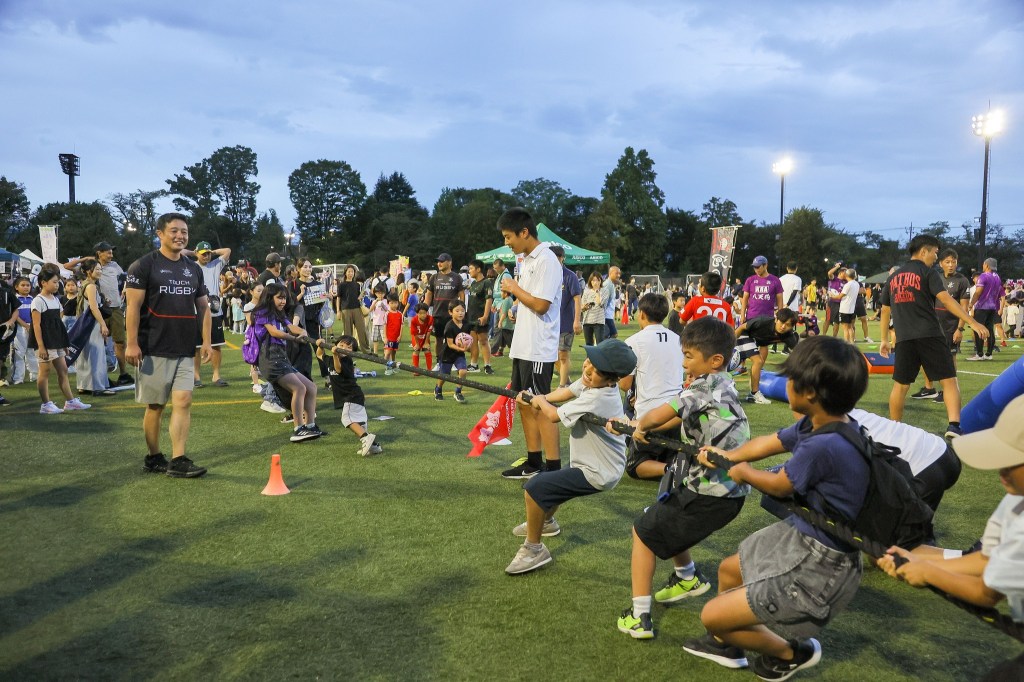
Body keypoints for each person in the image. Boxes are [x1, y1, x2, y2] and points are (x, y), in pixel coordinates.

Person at [683, 335, 870, 677]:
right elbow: (770, 443)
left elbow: (780, 484)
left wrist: (743, 473)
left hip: (821, 560)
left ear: (809, 393)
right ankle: (727, 642)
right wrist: (728, 455)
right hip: (803, 535)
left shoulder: (824, 444)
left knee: (712, 615)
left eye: (791, 379)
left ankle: (790, 653)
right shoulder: (823, 422)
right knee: (728, 571)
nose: (785, 385)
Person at [614, 317, 748, 639]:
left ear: (714, 361)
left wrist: (638, 426)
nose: (683, 362)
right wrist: (640, 427)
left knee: (642, 532)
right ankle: (687, 576)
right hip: (726, 489)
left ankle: (639, 616)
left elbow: (665, 412)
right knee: (666, 510)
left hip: (710, 492)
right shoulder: (725, 381)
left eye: (688, 356)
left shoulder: (700, 389)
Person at [878, 394, 1024, 681]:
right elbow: (986, 560)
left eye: (1011, 462)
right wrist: (914, 559)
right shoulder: (1014, 499)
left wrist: (927, 572)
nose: (1001, 472)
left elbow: (985, 594)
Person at [504, 338, 637, 575]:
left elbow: (553, 416)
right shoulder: (594, 384)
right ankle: (546, 522)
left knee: (535, 488)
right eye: (589, 362)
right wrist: (536, 396)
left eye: (596, 371)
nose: (588, 370)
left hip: (598, 472)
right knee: (554, 486)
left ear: (611, 380)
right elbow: (565, 392)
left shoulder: (597, 397)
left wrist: (539, 401)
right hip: (594, 464)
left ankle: (534, 550)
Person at [125, 212, 213, 478]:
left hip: (185, 347)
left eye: (184, 231)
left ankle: (178, 459)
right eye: (174, 230)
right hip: (154, 346)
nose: (180, 236)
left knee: (184, 401)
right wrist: (131, 343)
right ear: (160, 233)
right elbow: (133, 307)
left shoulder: (193, 268)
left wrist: (206, 341)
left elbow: (203, 307)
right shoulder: (143, 266)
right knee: (156, 406)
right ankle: (153, 457)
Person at [879, 235, 988, 439]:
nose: (936, 257)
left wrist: (884, 339)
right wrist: (972, 322)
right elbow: (946, 300)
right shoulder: (928, 273)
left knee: (901, 385)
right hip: (930, 334)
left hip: (904, 338)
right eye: (935, 253)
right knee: (949, 380)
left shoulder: (893, 278)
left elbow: (885, 310)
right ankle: (954, 426)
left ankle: (894, 428)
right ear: (923, 251)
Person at [497, 208, 563, 479]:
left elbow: (542, 304)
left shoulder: (546, 259)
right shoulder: (527, 260)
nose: (507, 243)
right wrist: (514, 301)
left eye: (508, 237)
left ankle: (554, 467)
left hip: (538, 346)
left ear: (524, 233)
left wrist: (514, 289)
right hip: (523, 344)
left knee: (541, 405)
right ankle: (534, 462)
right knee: (524, 402)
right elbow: (529, 300)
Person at [847, 408, 961, 515]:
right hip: (944, 453)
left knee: (890, 529)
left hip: (921, 472)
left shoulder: (835, 432)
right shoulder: (850, 412)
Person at [621, 293, 684, 480]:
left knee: (634, 465)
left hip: (651, 416)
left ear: (641, 313)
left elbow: (625, 384)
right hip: (677, 413)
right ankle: (672, 462)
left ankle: (670, 470)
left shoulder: (633, 341)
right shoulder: (678, 339)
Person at [251, 283, 322, 442]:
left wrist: (302, 332)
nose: (283, 301)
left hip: (281, 357)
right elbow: (274, 332)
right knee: (299, 388)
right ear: (270, 298)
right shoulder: (262, 312)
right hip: (269, 358)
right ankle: (298, 428)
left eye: (284, 298)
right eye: (279, 298)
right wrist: (294, 338)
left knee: (311, 387)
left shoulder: (279, 313)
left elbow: (291, 326)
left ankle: (310, 426)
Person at [64, 241, 133, 387]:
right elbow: (67, 266)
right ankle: (101, 377)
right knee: (98, 343)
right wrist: (85, 259)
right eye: (108, 252)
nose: (111, 255)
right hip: (99, 310)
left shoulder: (115, 266)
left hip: (115, 308)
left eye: (111, 252)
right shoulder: (90, 267)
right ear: (99, 253)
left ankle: (123, 374)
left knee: (120, 341)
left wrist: (124, 291)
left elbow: (125, 278)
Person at [910, 248, 971, 403]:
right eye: (947, 262)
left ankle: (947, 391)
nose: (951, 265)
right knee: (925, 356)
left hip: (951, 326)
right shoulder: (934, 277)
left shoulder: (962, 281)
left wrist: (960, 329)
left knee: (950, 358)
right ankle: (929, 388)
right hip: (932, 325)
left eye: (954, 262)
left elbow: (964, 307)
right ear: (940, 263)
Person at [31, 264, 91, 415]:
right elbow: (36, 326)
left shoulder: (56, 299)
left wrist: (64, 343)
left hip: (56, 340)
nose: (57, 284)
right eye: (54, 282)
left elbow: (58, 324)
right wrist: (41, 346)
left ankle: (70, 402)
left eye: (58, 282)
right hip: (45, 341)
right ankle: (45, 404)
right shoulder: (38, 301)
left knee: (63, 370)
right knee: (44, 372)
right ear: (43, 283)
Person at [322, 335, 383, 456]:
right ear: (336, 345)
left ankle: (366, 438)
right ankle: (374, 446)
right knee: (359, 424)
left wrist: (335, 355)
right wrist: (320, 344)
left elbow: (338, 369)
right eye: (342, 345)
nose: (344, 348)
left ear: (352, 352)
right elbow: (319, 354)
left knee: (347, 419)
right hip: (354, 396)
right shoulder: (329, 359)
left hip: (351, 396)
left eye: (349, 347)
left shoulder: (347, 361)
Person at [185, 241, 231, 387]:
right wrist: (194, 253)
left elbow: (228, 250)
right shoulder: (191, 265)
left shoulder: (216, 264)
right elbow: (180, 253)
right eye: (204, 254)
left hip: (214, 310)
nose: (207, 256)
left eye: (208, 253)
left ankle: (216, 376)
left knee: (217, 345)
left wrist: (213, 251)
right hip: (196, 311)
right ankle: (196, 376)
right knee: (196, 346)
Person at [735, 308, 799, 404]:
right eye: (782, 322)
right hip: (744, 335)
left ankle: (752, 393)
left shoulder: (788, 335)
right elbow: (741, 328)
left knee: (758, 362)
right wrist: (729, 344)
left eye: (788, 325)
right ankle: (754, 394)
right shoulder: (762, 322)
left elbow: (799, 353)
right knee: (758, 361)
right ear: (776, 319)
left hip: (758, 341)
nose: (783, 327)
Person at [75, 260, 116, 397]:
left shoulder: (84, 285)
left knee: (85, 355)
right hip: (92, 324)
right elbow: (93, 307)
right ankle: (97, 386)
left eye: (100, 269)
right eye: (97, 269)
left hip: (84, 324)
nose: (100, 271)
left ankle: (83, 385)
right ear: (88, 271)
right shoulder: (91, 286)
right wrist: (103, 324)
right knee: (96, 355)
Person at [550, 245, 583, 389]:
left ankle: (562, 386)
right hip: (550, 323)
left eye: (558, 257)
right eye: (553, 257)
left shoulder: (570, 276)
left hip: (566, 322)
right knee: (553, 356)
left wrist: (577, 320)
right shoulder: (547, 275)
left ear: (563, 258)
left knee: (563, 355)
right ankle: (567, 379)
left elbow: (577, 299)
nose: (555, 260)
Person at [424, 253, 464, 366]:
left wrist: (461, 309)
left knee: (454, 339)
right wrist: (425, 309)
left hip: (452, 315)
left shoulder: (457, 277)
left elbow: (462, 295)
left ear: (449, 262)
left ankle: (454, 361)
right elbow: (429, 293)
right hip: (438, 314)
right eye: (438, 261)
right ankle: (439, 361)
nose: (439, 263)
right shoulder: (434, 277)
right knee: (439, 339)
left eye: (442, 261)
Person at [967, 257, 1003, 361]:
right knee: (990, 330)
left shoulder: (983, 276)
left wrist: (971, 304)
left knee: (978, 329)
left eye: (983, 264)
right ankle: (989, 354)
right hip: (992, 307)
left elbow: (978, 292)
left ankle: (979, 354)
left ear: (986, 265)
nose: (983, 266)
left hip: (982, 307)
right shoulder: (997, 277)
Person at [435, 300, 470, 403]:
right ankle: (438, 389)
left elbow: (468, 339)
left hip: (459, 354)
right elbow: (450, 344)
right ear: (451, 312)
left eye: (462, 311)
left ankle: (458, 392)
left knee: (463, 371)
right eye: (457, 310)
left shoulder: (467, 324)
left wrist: (467, 347)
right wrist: (462, 348)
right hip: (447, 353)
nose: (460, 313)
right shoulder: (449, 326)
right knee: (445, 376)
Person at [465, 259, 494, 374]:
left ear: (478, 269)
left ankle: (487, 365)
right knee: (473, 341)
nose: (470, 271)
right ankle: (474, 364)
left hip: (481, 317)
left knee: (483, 340)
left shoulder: (486, 282)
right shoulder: (473, 283)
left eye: (471, 268)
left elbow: (489, 300)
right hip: (471, 317)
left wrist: (485, 316)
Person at [740, 255, 783, 325]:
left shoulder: (775, 280)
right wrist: (742, 315)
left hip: (768, 318)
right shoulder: (750, 280)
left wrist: (780, 317)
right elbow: (744, 299)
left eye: (758, 267)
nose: (756, 269)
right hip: (751, 317)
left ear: (765, 265)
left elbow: (780, 301)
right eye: (754, 267)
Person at [10, 276, 37, 385]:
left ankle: (34, 376)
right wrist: (25, 325)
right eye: (23, 285)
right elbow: (15, 315)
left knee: (31, 352)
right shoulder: (14, 299)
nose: (26, 287)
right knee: (19, 353)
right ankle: (18, 378)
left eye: (28, 285)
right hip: (19, 328)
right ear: (16, 287)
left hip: (32, 328)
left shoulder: (33, 299)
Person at [336, 265, 369, 351]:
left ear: (354, 273)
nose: (350, 273)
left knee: (362, 329)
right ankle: (348, 350)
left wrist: (363, 294)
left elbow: (358, 298)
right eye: (349, 271)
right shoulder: (341, 285)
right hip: (345, 310)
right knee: (348, 332)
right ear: (345, 273)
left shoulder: (357, 285)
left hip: (357, 308)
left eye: (352, 272)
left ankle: (366, 350)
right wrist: (338, 311)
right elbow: (338, 298)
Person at [830, 268, 860, 343]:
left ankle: (847, 344)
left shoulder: (848, 285)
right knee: (850, 327)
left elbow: (840, 296)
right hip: (852, 308)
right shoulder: (856, 284)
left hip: (845, 309)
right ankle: (852, 343)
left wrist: (832, 296)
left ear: (847, 275)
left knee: (845, 328)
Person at [581, 271, 607, 346]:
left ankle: (599, 358)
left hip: (599, 321)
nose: (595, 282)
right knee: (588, 344)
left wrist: (597, 291)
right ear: (590, 281)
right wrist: (585, 307)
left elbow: (600, 303)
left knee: (600, 343)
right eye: (593, 280)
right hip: (587, 320)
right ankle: (589, 358)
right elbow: (582, 307)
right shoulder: (586, 292)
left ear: (601, 281)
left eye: (598, 280)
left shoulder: (605, 291)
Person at [821, 261, 845, 337]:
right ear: (841, 272)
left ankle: (834, 338)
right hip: (831, 302)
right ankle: (824, 336)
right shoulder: (834, 279)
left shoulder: (845, 281)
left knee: (837, 321)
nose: (847, 274)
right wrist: (837, 267)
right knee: (827, 320)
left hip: (840, 303)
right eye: (845, 272)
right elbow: (829, 273)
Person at [409, 303, 434, 373]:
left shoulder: (430, 319)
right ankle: (416, 370)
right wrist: (417, 344)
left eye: (424, 313)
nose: (423, 315)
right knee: (416, 351)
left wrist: (426, 342)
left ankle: (429, 370)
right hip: (416, 338)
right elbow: (415, 334)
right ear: (417, 313)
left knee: (427, 350)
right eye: (420, 313)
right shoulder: (413, 320)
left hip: (426, 337)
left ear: (427, 312)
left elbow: (429, 331)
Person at [383, 294, 403, 374]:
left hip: (396, 337)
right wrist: (385, 337)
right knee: (388, 352)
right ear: (388, 303)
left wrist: (400, 335)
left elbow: (401, 325)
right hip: (389, 337)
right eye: (391, 303)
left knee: (394, 352)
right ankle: (387, 367)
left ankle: (393, 366)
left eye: (395, 303)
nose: (394, 305)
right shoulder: (387, 313)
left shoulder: (400, 314)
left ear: (398, 303)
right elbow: (385, 325)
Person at [493, 289, 515, 357]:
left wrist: (500, 322)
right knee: (503, 339)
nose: (501, 294)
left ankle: (514, 354)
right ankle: (500, 352)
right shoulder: (510, 299)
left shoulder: (506, 300)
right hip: (509, 324)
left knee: (509, 341)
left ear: (506, 293)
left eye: (502, 293)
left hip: (506, 324)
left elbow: (504, 313)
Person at [368, 285, 388, 356]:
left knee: (384, 338)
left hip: (383, 323)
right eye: (378, 293)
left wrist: (382, 304)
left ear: (384, 294)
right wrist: (375, 302)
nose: (380, 295)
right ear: (375, 294)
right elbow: (370, 310)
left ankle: (385, 352)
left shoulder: (385, 301)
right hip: (375, 322)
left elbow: (387, 310)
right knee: (375, 338)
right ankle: (375, 352)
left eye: (382, 293)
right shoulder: (374, 301)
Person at [602, 266, 622, 339]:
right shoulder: (608, 285)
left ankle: (604, 348)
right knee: (611, 335)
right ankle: (601, 348)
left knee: (609, 335)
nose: (618, 275)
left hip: (608, 315)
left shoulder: (611, 284)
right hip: (606, 316)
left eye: (619, 273)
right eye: (616, 273)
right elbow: (604, 301)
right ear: (610, 273)